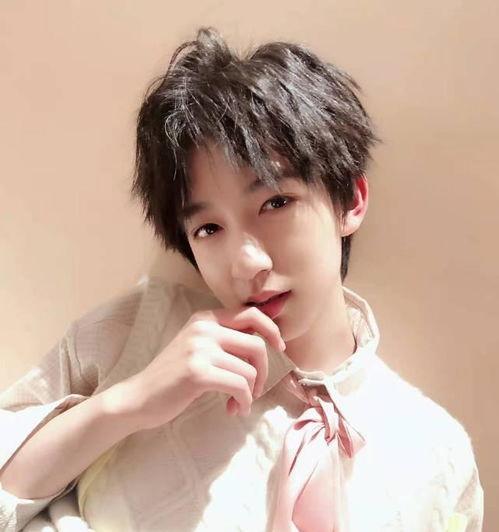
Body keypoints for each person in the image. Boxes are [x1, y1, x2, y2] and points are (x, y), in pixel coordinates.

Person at [0, 26, 484, 532]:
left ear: (350, 201)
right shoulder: (128, 340)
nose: (247, 262)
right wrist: (127, 404)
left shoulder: (437, 455)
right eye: (208, 229)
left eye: (275, 202)